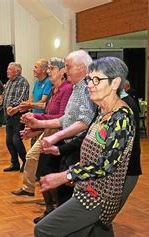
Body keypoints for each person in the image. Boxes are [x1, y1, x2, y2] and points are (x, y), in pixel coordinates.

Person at [30, 56, 135, 237]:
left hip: (97, 195)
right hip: (87, 190)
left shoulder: (121, 118)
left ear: (116, 82)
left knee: (44, 232)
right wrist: (59, 148)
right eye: (89, 79)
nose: (90, 84)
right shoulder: (103, 112)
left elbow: (105, 165)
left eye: (97, 79)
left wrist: (63, 176)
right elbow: (87, 144)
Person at [21, 50, 96, 224]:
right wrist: (38, 124)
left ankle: (71, 226)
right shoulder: (76, 87)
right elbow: (66, 118)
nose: (66, 70)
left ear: (83, 68)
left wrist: (54, 137)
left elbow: (84, 121)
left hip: (77, 144)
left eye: (68, 67)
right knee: (62, 186)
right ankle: (63, 221)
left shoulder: (85, 88)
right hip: (67, 141)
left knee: (71, 189)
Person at [86, 88, 142, 237]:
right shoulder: (104, 107)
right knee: (93, 217)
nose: (91, 85)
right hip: (104, 172)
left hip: (124, 173)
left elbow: (114, 156)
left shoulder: (126, 109)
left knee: (103, 218)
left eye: (96, 79)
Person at [12, 57, 72, 197]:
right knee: (34, 158)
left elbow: (61, 117)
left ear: (62, 71)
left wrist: (36, 119)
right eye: (49, 68)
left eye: (52, 69)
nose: (49, 72)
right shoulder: (53, 88)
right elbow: (47, 112)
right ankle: (33, 190)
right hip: (48, 128)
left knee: (46, 165)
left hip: (59, 131)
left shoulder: (67, 88)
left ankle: (51, 198)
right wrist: (34, 128)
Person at [0, 62, 30, 172]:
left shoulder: (22, 82)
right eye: (8, 69)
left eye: (10, 69)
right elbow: (2, 99)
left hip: (18, 114)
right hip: (8, 115)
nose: (7, 71)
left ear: (17, 71)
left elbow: (20, 98)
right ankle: (15, 163)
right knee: (9, 141)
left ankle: (25, 162)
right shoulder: (8, 82)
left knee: (16, 140)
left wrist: (12, 107)